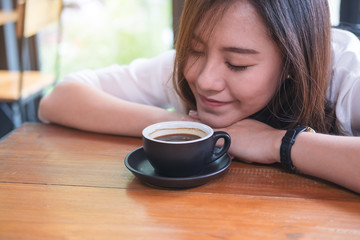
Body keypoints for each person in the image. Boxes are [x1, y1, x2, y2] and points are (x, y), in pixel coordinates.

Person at [38, 0, 360, 193]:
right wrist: (177, 127)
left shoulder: (345, 73)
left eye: (237, 64)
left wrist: (279, 143)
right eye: (193, 49)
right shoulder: (186, 71)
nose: (204, 80)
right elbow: (60, 99)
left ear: (292, 61)